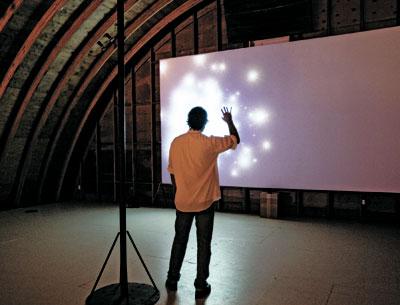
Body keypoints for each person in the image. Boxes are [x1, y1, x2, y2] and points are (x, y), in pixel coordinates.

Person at [165, 106, 240, 299]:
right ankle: (200, 285)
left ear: (188, 121)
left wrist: (180, 192)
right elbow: (235, 140)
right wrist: (229, 121)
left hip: (182, 202)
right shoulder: (210, 143)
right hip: (205, 203)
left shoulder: (176, 142)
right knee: (203, 244)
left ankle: (172, 280)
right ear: (205, 123)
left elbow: (172, 173)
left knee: (179, 241)